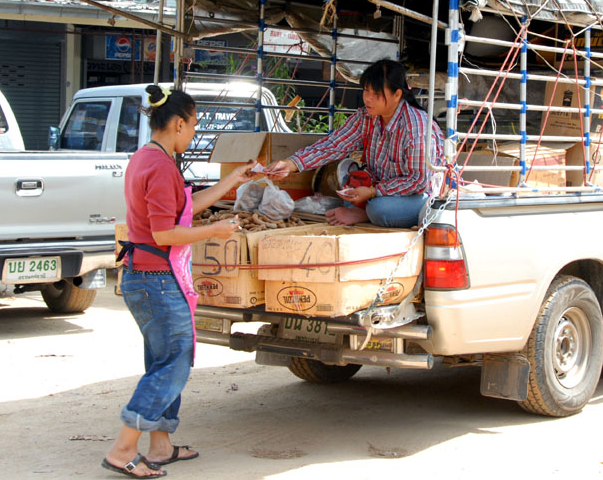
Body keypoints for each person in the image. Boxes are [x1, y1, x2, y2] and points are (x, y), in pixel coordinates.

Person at [103, 85, 253, 478]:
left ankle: (161, 446)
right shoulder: (159, 166)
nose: (194, 134)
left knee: (163, 361)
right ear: (179, 123)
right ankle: (122, 450)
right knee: (173, 364)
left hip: (149, 276)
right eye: (194, 126)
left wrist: (231, 181)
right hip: (155, 279)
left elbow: (185, 206)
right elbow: (165, 233)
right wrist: (215, 230)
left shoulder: (148, 157)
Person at [268, 59, 443, 228]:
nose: (368, 99)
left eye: (376, 94)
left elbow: (419, 181)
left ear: (397, 95)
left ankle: (364, 214)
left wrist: (374, 192)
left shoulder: (417, 127)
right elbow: (334, 145)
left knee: (379, 209)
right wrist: (291, 164)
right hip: (381, 191)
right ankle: (363, 210)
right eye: (366, 91)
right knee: (348, 182)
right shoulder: (365, 117)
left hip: (420, 196)